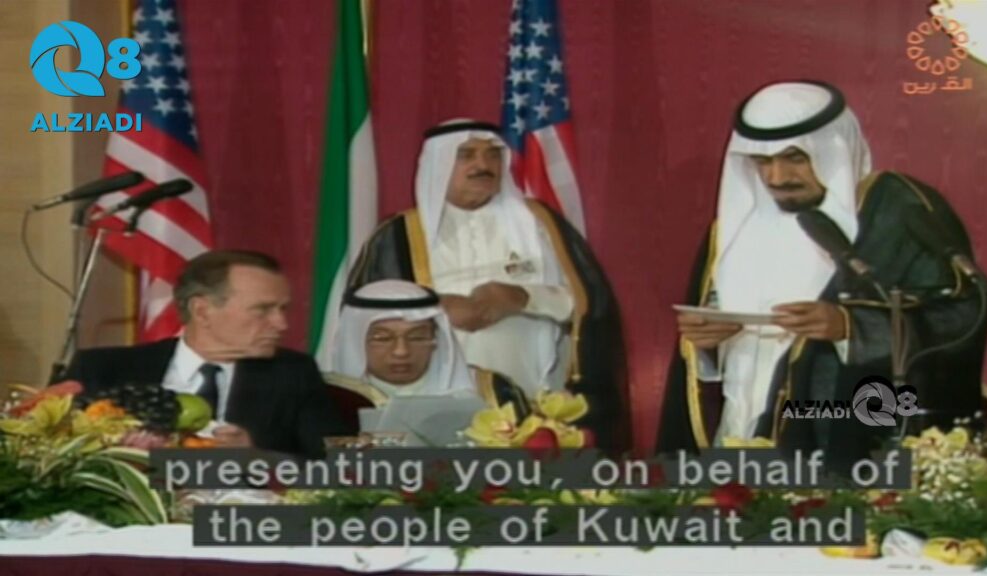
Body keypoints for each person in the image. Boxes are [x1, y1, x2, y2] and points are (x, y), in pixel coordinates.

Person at [656, 81, 987, 468]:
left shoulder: (897, 212)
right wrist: (708, 342)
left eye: (795, 158)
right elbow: (710, 344)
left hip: (846, 435)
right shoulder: (733, 230)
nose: (777, 177)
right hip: (738, 433)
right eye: (762, 162)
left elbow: (963, 313)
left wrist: (851, 327)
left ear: (834, 149)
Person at [345, 120, 627, 451]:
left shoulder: (540, 223)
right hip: (434, 413)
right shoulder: (397, 236)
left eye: (492, 154)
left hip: (539, 408)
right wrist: (435, 310)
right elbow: (361, 323)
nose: (483, 165)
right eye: (466, 155)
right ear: (438, 163)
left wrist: (523, 297)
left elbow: (593, 303)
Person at [66, 250, 352, 458]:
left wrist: (256, 459)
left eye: (282, 309)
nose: (281, 324)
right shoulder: (101, 369)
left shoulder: (293, 373)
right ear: (202, 311)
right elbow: (54, 457)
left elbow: (339, 468)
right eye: (263, 310)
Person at [324, 279, 529, 419]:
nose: (401, 351)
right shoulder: (325, 398)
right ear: (355, 341)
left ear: (436, 338)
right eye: (383, 338)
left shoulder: (491, 390)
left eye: (417, 337)